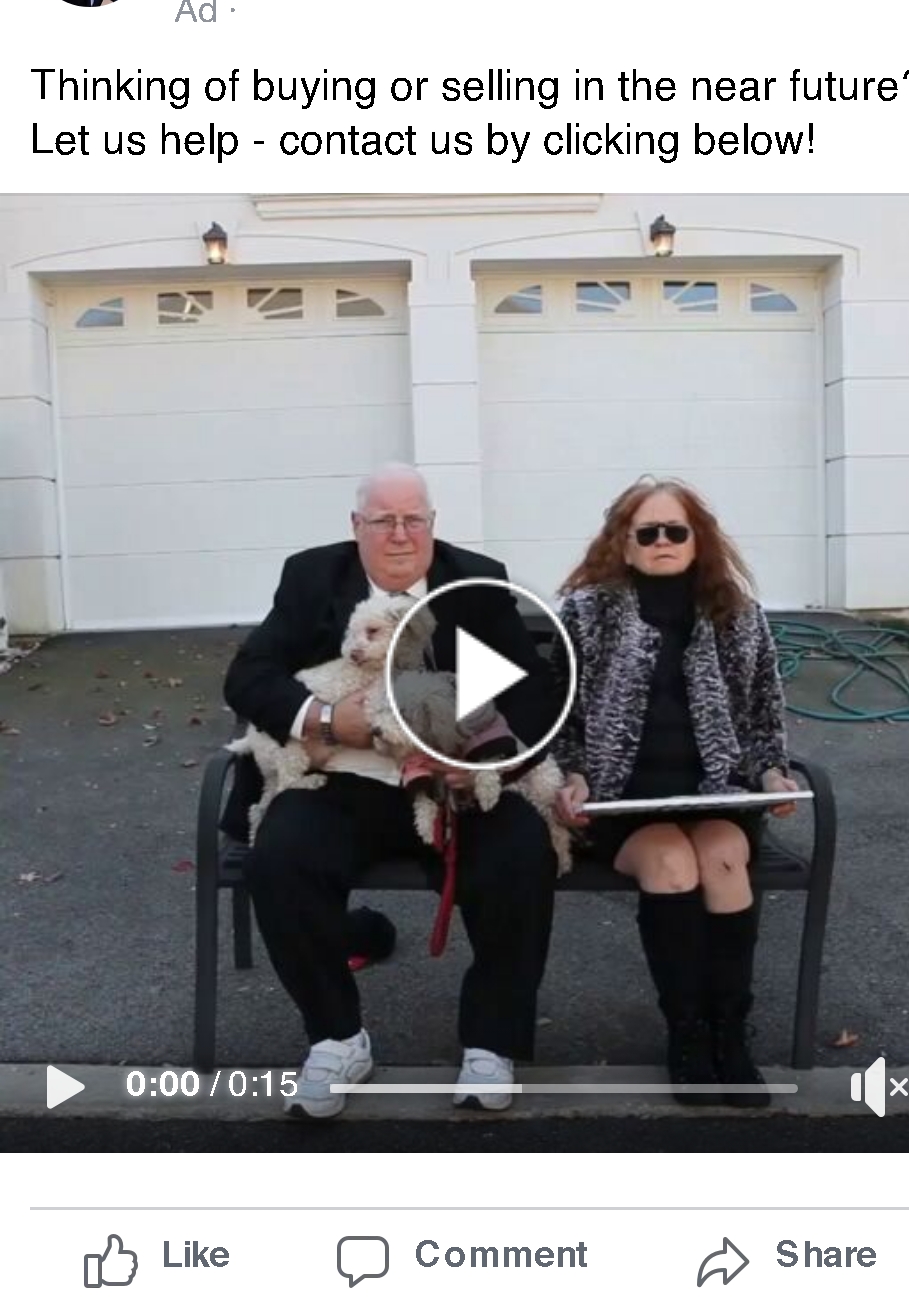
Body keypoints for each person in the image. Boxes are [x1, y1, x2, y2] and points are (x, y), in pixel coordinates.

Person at [224, 463, 559, 1118]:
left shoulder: (476, 580)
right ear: (357, 526)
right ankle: (337, 1038)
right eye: (383, 521)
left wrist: (487, 760)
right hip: (345, 777)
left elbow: (531, 691)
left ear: (433, 524)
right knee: (282, 854)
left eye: (413, 520)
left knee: (522, 848)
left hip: (455, 787)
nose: (400, 534)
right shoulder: (313, 577)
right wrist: (325, 720)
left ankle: (491, 1043)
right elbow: (250, 676)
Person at [551, 478, 798, 1107]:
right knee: (670, 862)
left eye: (676, 531)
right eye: (648, 532)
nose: (663, 541)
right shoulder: (585, 615)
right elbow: (560, 724)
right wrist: (572, 777)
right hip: (623, 805)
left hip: (715, 797)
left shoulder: (737, 615)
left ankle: (730, 1035)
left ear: (697, 541)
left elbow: (764, 722)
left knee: (721, 857)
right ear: (624, 544)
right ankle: (686, 1036)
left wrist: (773, 777)